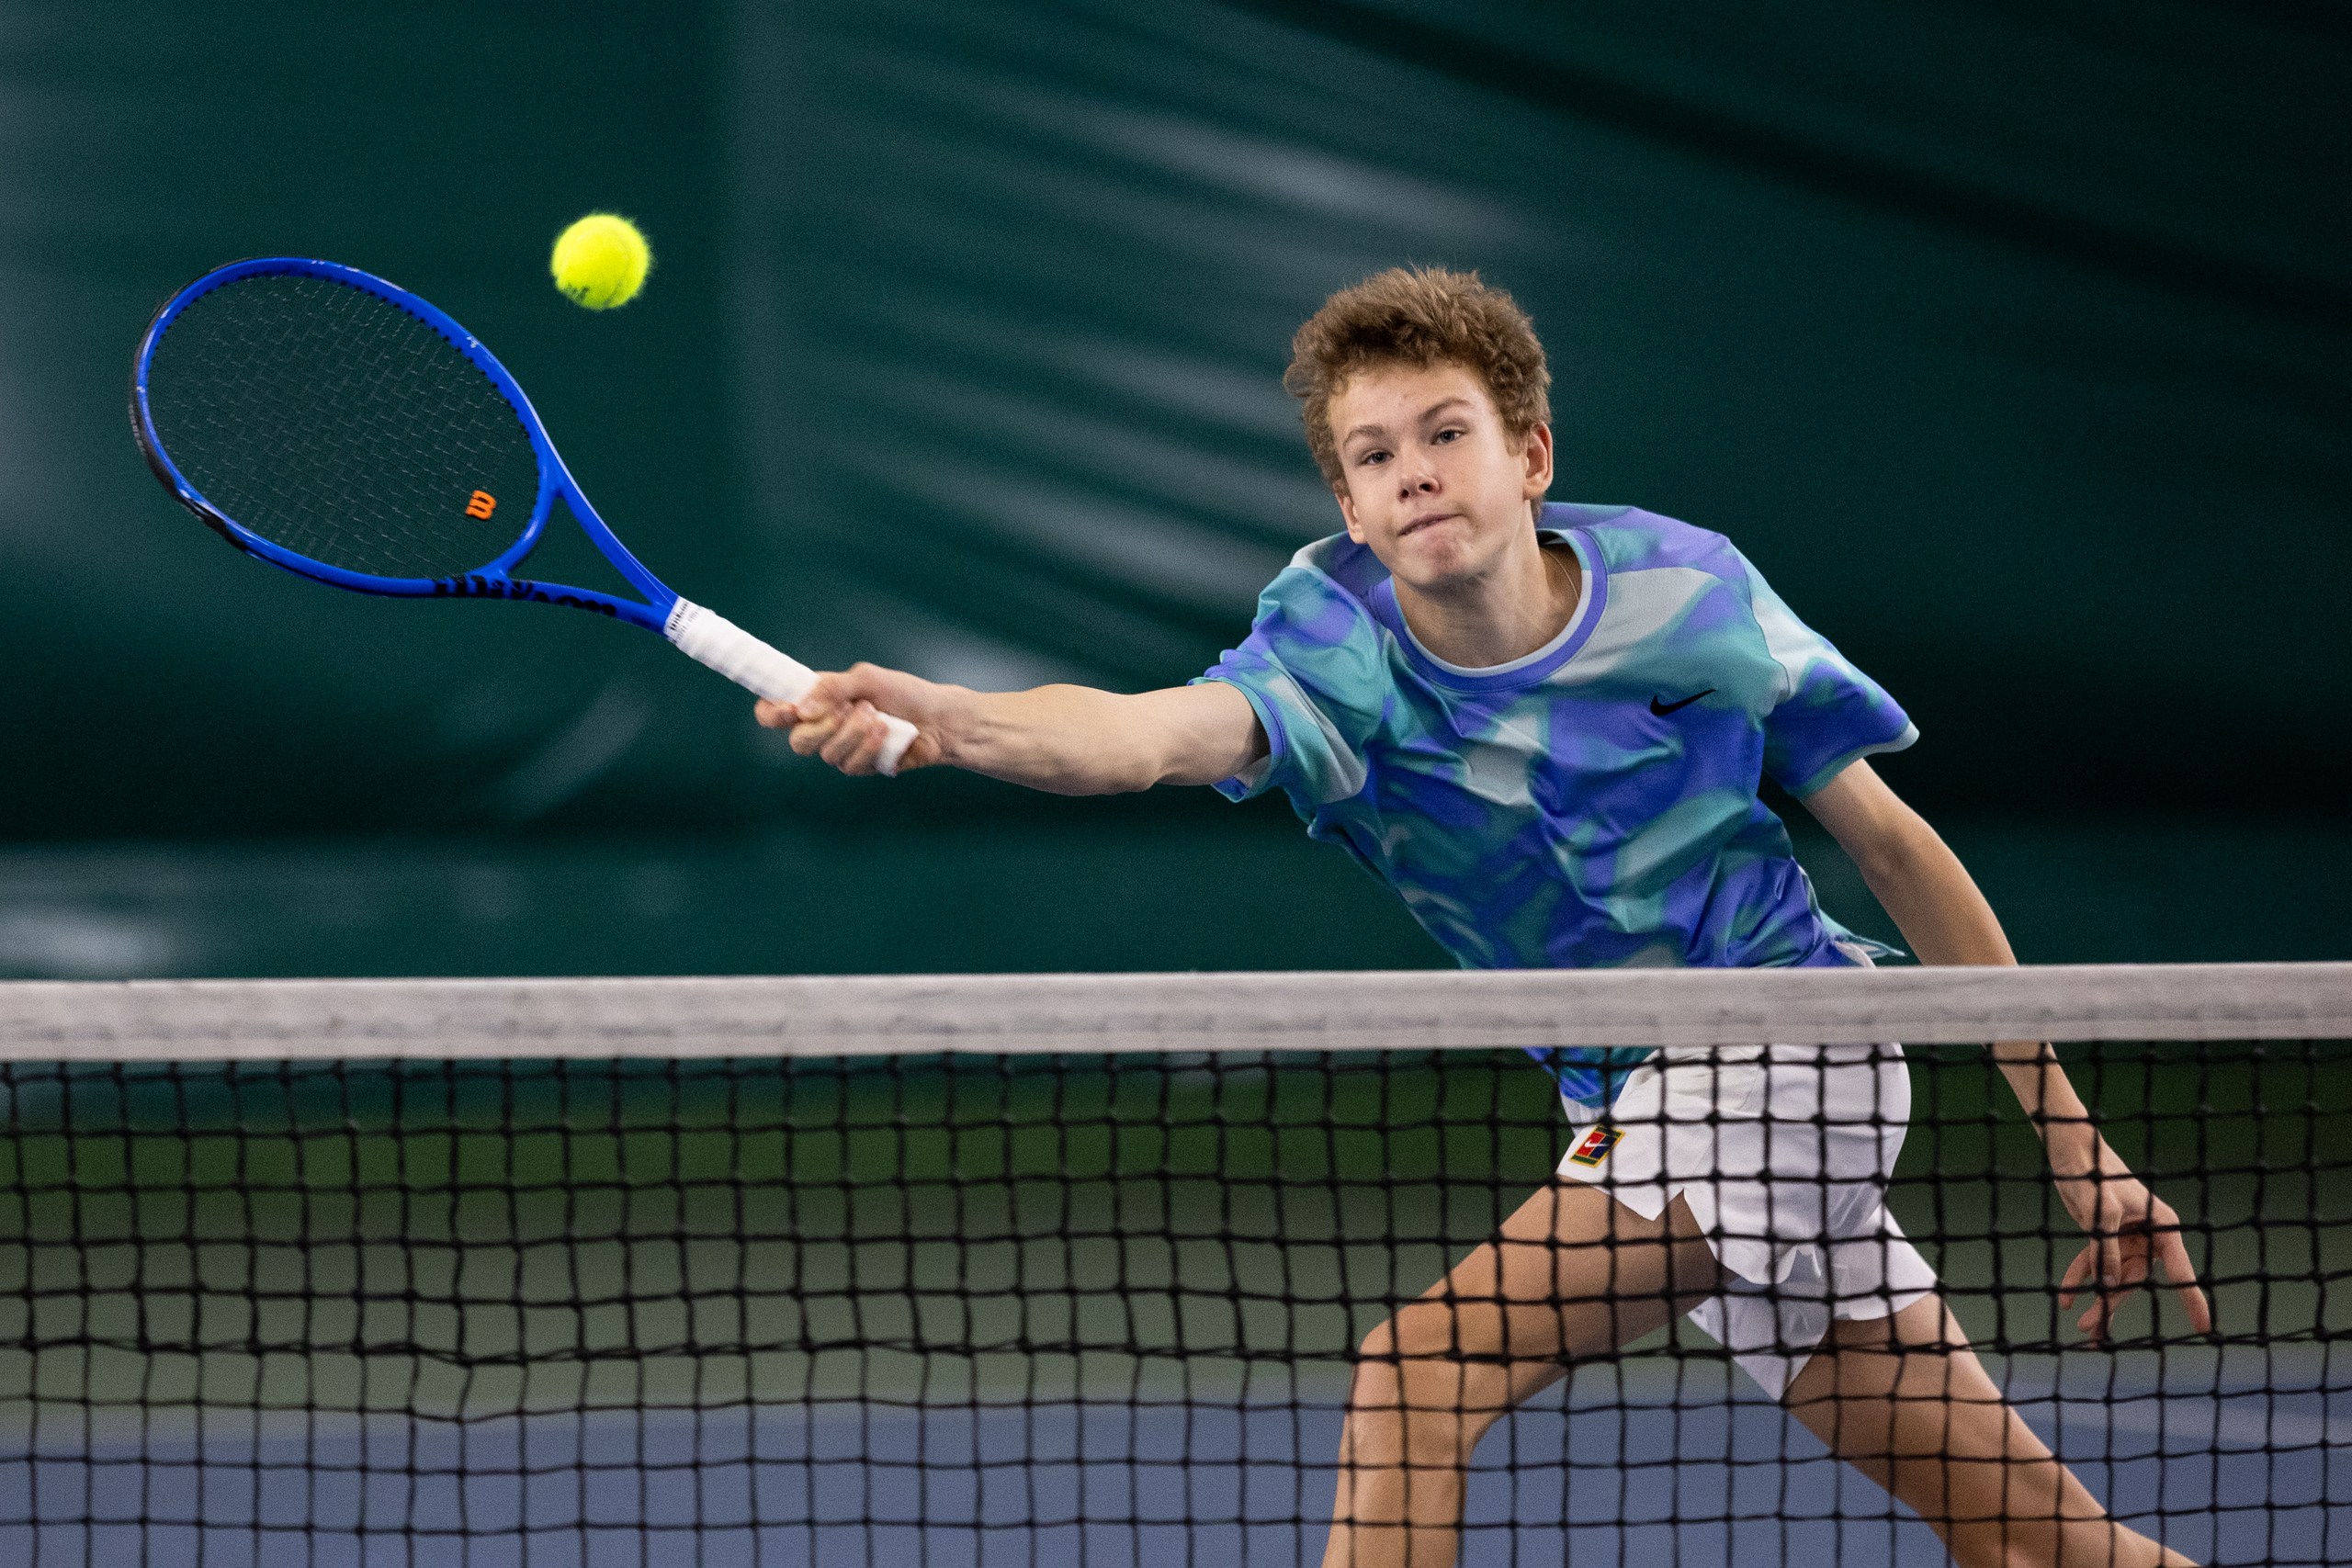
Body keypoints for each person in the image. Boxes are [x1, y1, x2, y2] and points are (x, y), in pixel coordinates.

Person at [759, 266, 2211, 1567]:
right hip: (1634, 1098)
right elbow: (1146, 737)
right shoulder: (1333, 646)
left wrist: (2075, 1141)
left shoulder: (1693, 598)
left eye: (1445, 433)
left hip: (1794, 1047)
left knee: (1419, 1375)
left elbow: (1894, 849)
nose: (1413, 475)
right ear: (1348, 506)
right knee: (2038, 1542)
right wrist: (956, 721)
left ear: (1530, 456)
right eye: (1373, 455)